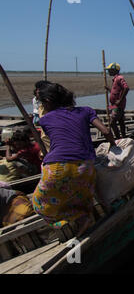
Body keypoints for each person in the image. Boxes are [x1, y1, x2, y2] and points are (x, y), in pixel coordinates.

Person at [31, 83, 116, 237]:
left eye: (42, 102)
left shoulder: (45, 120)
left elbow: (57, 138)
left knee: (38, 204)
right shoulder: (86, 110)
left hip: (58, 168)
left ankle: (73, 220)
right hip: (87, 167)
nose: (42, 105)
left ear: (48, 101)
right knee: (79, 197)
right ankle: (84, 217)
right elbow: (106, 131)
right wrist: (114, 145)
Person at [104, 62, 129, 139]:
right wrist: (109, 89)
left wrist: (120, 100)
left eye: (110, 70)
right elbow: (115, 92)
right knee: (121, 121)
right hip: (115, 105)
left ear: (114, 70)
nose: (108, 71)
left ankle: (118, 138)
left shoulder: (119, 78)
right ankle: (123, 136)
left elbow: (126, 88)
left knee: (112, 122)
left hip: (117, 105)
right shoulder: (115, 79)